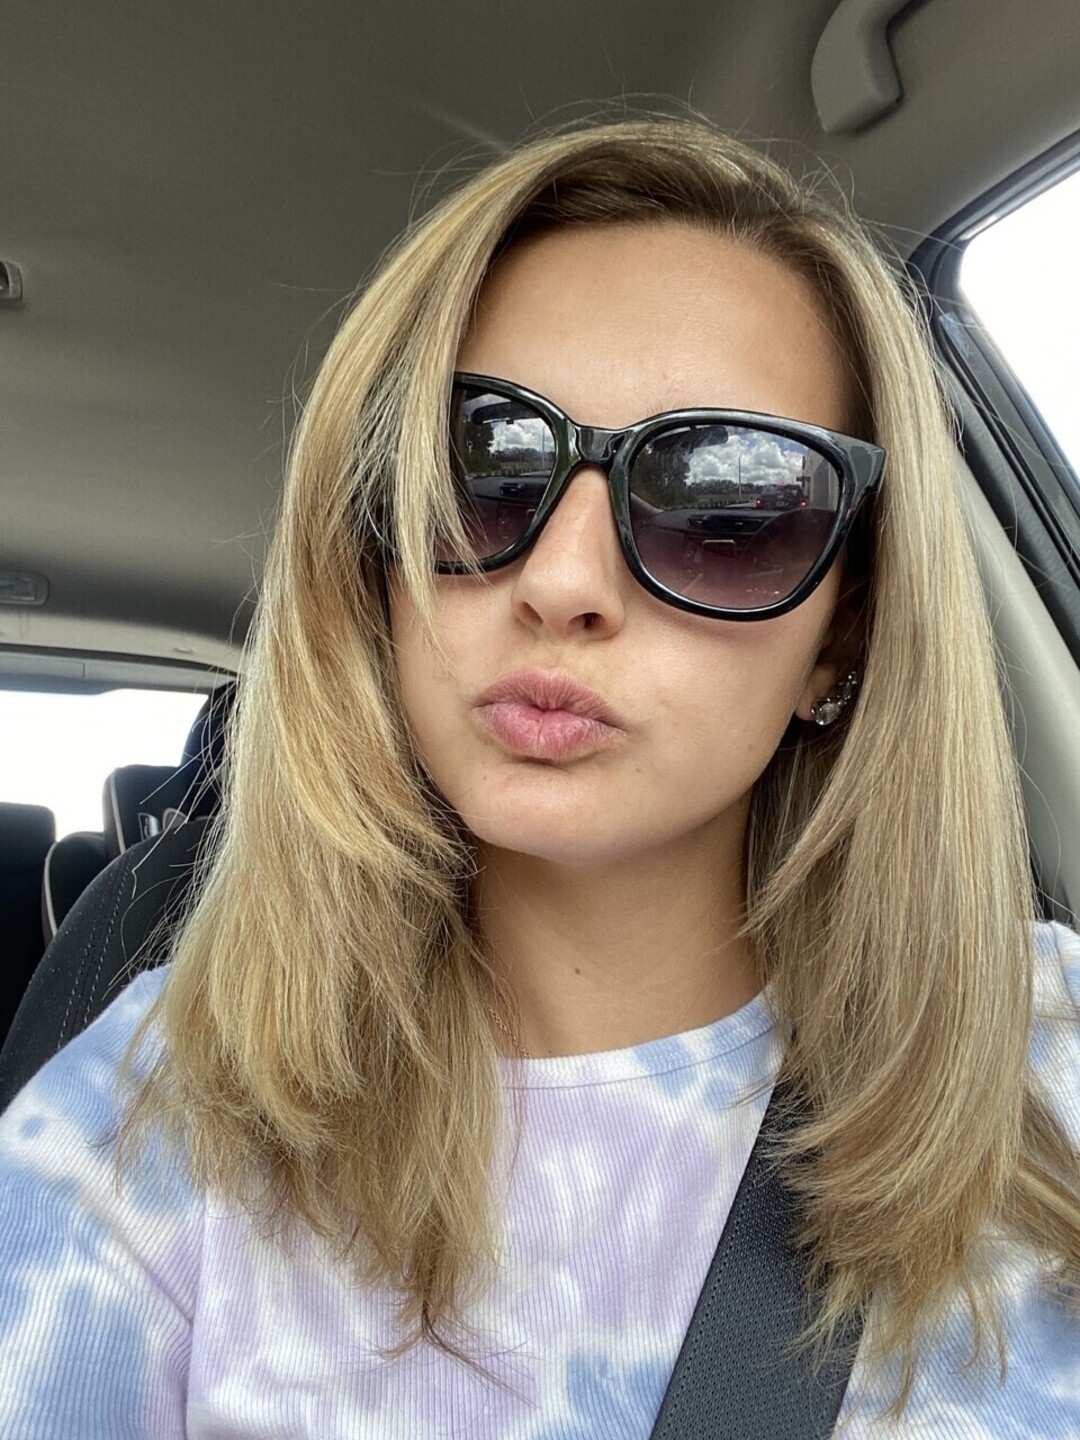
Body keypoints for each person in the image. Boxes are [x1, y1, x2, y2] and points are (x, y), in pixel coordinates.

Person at [1, 117, 1078, 1438]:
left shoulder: (1051, 1062)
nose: (563, 583)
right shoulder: (149, 1117)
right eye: (483, 467)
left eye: (726, 510)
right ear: (377, 560)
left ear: (842, 635)